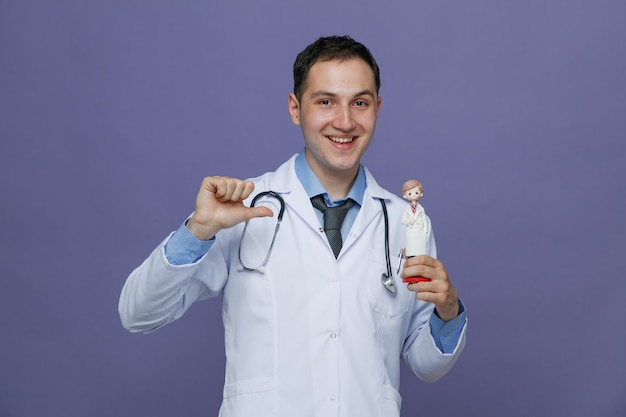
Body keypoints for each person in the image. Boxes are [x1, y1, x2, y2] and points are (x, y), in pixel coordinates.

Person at [119, 35, 467, 417]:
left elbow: (426, 365)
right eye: (325, 102)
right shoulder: (242, 210)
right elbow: (138, 314)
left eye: (360, 103)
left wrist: (448, 311)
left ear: (377, 109)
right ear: (295, 108)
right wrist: (197, 231)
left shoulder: (403, 223)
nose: (345, 121)